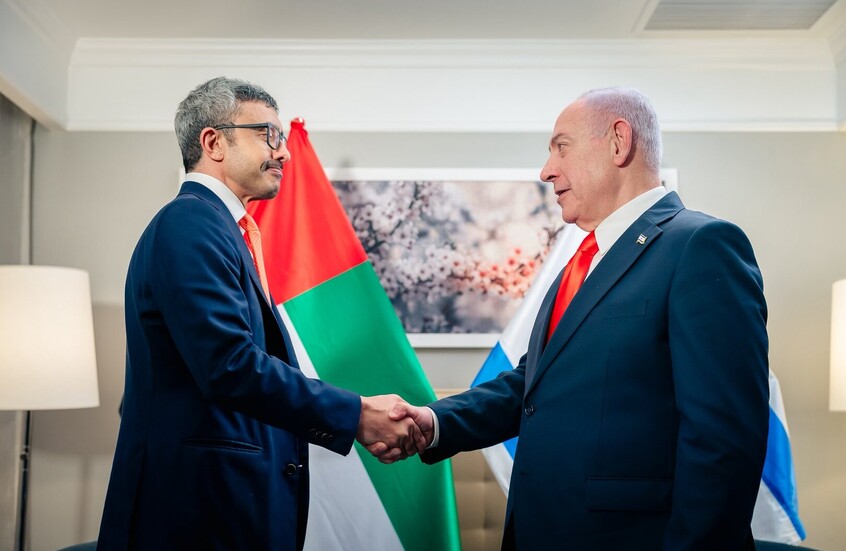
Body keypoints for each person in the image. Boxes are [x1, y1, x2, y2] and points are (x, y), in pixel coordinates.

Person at [378, 87, 770, 550]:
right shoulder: (582, 263)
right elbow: (532, 385)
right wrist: (433, 421)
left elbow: (723, 444)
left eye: (561, 147)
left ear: (619, 142)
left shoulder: (701, 245)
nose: (546, 170)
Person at [98, 76, 422, 551]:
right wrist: (355, 413)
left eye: (283, 137)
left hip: (222, 508)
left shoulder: (222, 228)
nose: (284, 152)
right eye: (267, 134)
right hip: (195, 516)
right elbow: (229, 365)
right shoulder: (191, 223)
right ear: (213, 143)